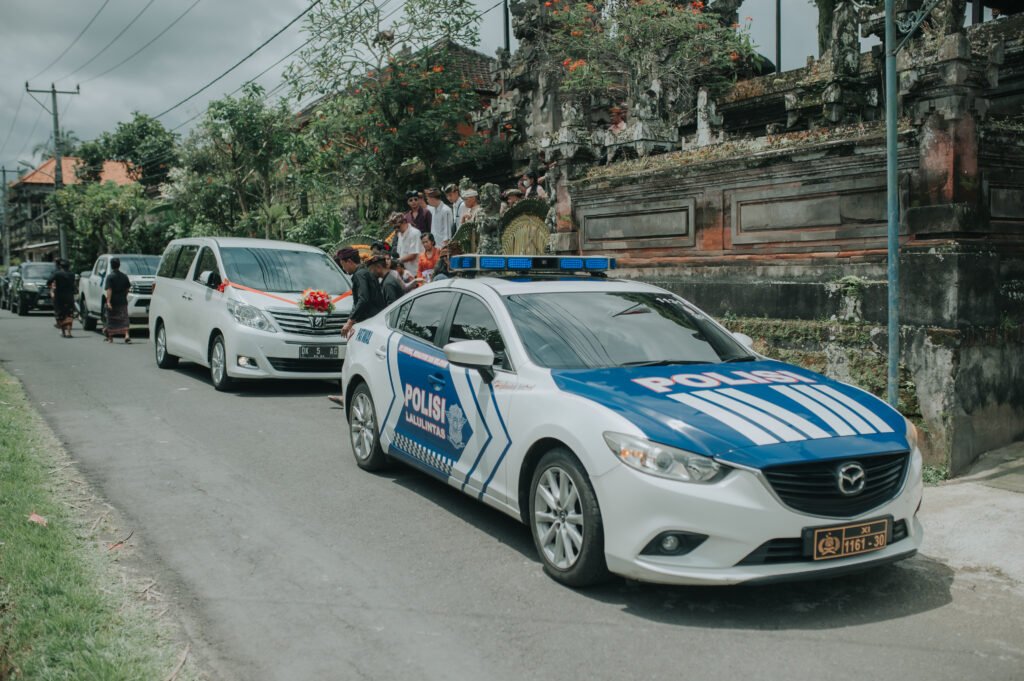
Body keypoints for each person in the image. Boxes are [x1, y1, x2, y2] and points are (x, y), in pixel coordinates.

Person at [328, 249, 387, 406]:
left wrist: (350, 321)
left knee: (352, 358)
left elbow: (363, 300)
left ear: (349, 261)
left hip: (367, 323)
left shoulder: (359, 275)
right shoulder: (365, 273)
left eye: (343, 265)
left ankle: (347, 394)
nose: (344, 269)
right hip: (373, 322)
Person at [104, 257, 132, 343]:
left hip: (113, 301)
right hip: (122, 301)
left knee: (111, 319)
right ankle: (126, 335)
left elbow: (109, 290)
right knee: (124, 318)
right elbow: (127, 289)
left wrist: (108, 302)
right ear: (119, 265)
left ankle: (110, 337)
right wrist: (124, 296)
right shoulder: (124, 276)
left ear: (111, 266)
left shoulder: (110, 277)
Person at [47, 259, 77, 338]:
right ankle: (69, 332)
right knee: (69, 314)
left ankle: (63, 331)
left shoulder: (57, 274)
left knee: (60, 314)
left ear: (60, 266)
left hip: (59, 297)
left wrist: (52, 288)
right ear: (69, 266)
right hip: (69, 296)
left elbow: (49, 281)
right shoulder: (72, 274)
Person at [395, 212, 424, 278]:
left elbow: (413, 255)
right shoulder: (399, 234)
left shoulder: (415, 233)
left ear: (404, 222)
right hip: (406, 272)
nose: (396, 229)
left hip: (416, 271)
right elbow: (400, 253)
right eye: (395, 227)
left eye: (398, 226)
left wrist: (396, 261)